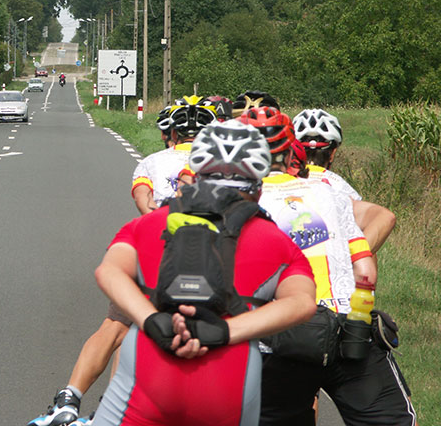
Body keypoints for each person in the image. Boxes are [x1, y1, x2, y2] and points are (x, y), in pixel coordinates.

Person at [90, 121, 316, 426]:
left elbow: (109, 270)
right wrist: (224, 332)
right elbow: (302, 303)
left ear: (194, 177)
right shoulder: (276, 241)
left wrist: (153, 320)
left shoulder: (149, 224)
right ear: (259, 189)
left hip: (144, 381)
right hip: (228, 389)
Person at [27, 97, 218, 426]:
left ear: (169, 134)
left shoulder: (152, 162)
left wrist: (161, 221)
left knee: (118, 326)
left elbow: (143, 203)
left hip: (156, 247)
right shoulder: (219, 164)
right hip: (208, 256)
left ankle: (70, 399)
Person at [237, 107, 417, 426]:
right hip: (348, 329)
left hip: (283, 335)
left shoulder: (242, 204)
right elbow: (366, 270)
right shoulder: (327, 191)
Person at [292, 108, 396, 255]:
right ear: (333, 153)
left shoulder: (280, 184)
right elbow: (386, 217)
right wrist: (352, 259)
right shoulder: (341, 188)